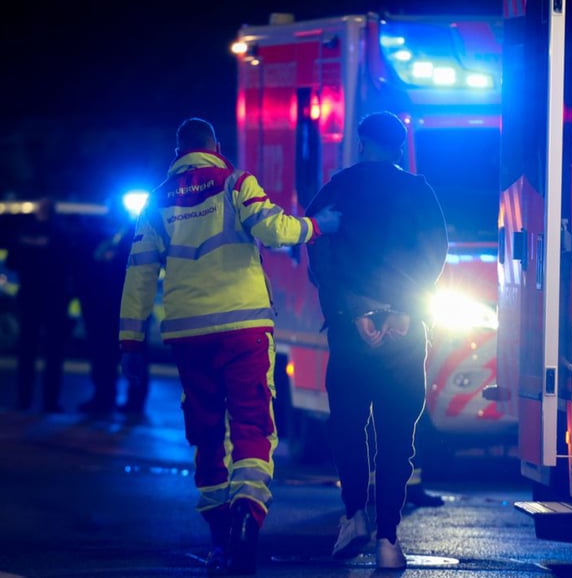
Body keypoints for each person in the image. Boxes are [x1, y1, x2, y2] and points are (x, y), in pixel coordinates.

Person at [118, 118, 341, 576]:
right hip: (243, 327)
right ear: (215, 146)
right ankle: (248, 512)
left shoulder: (156, 201)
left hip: (188, 333)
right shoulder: (236, 183)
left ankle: (219, 538)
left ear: (177, 152)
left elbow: (138, 275)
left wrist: (131, 343)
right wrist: (318, 227)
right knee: (253, 422)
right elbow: (276, 230)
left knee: (205, 430)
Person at [305, 111, 448, 569]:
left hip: (352, 331)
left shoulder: (339, 187)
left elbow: (317, 247)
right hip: (406, 334)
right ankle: (389, 539)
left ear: (363, 142)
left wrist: (353, 312)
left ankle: (354, 515)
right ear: (401, 147)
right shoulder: (420, 190)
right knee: (396, 437)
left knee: (348, 427)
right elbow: (435, 255)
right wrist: (405, 310)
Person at [8, 197, 73, 413]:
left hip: (29, 297)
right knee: (53, 353)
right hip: (53, 300)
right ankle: (50, 402)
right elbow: (68, 264)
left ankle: (23, 400)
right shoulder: (61, 233)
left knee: (26, 353)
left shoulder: (25, 232)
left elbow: (12, 262)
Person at [77, 206, 144, 415]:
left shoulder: (134, 234)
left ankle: (129, 400)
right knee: (105, 354)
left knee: (129, 354)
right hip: (108, 305)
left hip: (125, 305)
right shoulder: (101, 235)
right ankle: (105, 396)